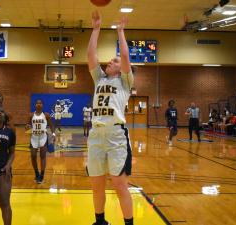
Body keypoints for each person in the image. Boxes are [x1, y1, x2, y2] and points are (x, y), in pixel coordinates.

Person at [87, 11, 134, 225]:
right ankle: (100, 221)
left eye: (113, 61)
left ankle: (128, 223)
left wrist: (120, 32)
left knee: (119, 184)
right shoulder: (99, 79)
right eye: (110, 60)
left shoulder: (124, 81)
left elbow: (124, 57)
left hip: (116, 135)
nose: (110, 62)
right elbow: (90, 56)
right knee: (96, 183)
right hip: (96, 134)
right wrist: (96, 29)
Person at [26, 99, 55, 184]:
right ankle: (36, 173)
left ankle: (42, 175)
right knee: (33, 156)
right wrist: (27, 127)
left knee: (43, 156)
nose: (39, 104)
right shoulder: (31, 115)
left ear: (42, 105)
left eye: (40, 103)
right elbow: (27, 126)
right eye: (37, 103)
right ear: (35, 105)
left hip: (43, 137)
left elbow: (51, 125)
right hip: (34, 137)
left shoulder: (46, 115)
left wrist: (53, 134)